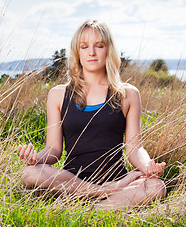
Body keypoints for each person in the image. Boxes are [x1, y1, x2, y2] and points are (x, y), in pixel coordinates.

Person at [18, 19, 166, 208]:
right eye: (84, 46)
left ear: (108, 50)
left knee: (155, 186)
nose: (92, 52)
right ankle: (101, 194)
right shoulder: (58, 94)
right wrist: (35, 159)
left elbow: (135, 149)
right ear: (77, 51)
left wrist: (148, 166)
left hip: (118, 179)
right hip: (72, 181)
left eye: (99, 45)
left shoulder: (127, 94)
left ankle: (91, 209)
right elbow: (54, 150)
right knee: (30, 173)